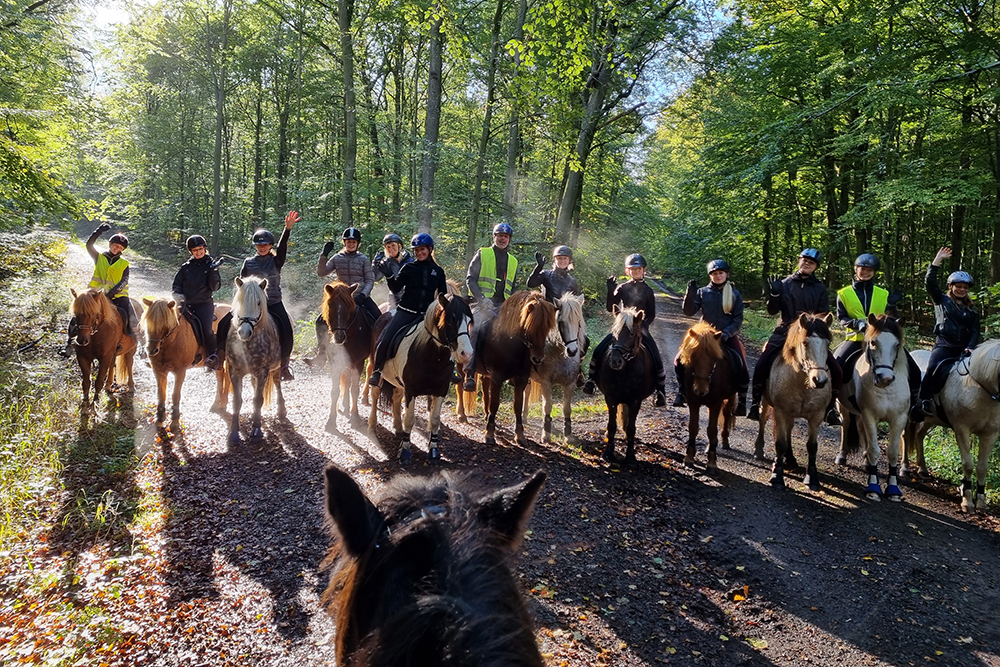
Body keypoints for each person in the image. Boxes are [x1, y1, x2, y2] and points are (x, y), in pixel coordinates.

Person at [747, 248, 843, 425]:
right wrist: (774, 294)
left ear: (816, 267)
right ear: (799, 261)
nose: (807, 263)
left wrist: (813, 328)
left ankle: (830, 409)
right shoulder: (785, 284)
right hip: (785, 332)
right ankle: (755, 403)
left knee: (836, 369)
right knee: (762, 362)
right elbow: (772, 311)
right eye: (804, 260)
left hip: (810, 334)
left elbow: (823, 314)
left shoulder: (820, 288)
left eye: (811, 262)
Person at [834, 253, 921, 419]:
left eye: (870, 270)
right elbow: (841, 318)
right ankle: (830, 405)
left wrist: (893, 311)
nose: (866, 272)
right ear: (856, 269)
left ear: (874, 272)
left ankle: (917, 402)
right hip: (856, 340)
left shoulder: (883, 294)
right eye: (863, 269)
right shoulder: (844, 294)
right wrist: (857, 324)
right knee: (836, 367)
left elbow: (893, 317)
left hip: (882, 341)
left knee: (913, 369)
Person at [217, 210, 300, 381]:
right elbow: (241, 284)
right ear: (255, 246)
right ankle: (219, 358)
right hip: (250, 305)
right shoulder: (248, 262)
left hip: (273, 303)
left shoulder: (276, 260)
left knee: (286, 329)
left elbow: (283, 247)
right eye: (259, 245)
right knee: (224, 324)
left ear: (270, 246)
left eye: (265, 245)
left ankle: (284, 366)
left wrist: (287, 229)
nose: (262, 247)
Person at [582, 253, 667, 407]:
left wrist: (642, 326)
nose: (636, 272)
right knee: (600, 348)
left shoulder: (648, 291)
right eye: (633, 269)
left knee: (655, 354)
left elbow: (652, 314)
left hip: (639, 328)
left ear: (643, 271)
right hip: (622, 327)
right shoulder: (623, 287)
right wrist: (610, 291)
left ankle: (660, 390)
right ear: (628, 271)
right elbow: (611, 307)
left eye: (638, 269)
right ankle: (591, 380)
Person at [368, 233, 448, 387]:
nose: (419, 253)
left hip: (426, 315)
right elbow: (396, 287)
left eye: (422, 249)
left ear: (430, 249)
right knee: (386, 338)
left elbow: (442, 295)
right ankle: (377, 370)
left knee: (446, 339)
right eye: (416, 250)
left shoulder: (438, 271)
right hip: (405, 311)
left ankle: (450, 371)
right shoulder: (409, 267)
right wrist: (389, 275)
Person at [675, 259, 750, 415]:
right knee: (679, 360)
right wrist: (690, 295)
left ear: (726, 274)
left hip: (726, 336)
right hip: (704, 337)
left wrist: (726, 334)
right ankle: (681, 391)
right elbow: (689, 311)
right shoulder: (703, 292)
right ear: (710, 276)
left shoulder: (735, 294)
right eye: (714, 274)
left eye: (720, 273)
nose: (718, 276)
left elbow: (738, 319)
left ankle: (742, 400)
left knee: (742, 364)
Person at [913, 247, 980, 420]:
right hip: (944, 345)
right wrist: (937, 261)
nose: (962, 289)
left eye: (965, 287)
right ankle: (924, 400)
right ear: (951, 286)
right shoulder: (942, 300)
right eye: (958, 286)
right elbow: (930, 282)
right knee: (933, 368)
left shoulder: (971, 310)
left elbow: (975, 330)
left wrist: (971, 347)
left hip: (964, 349)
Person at [62, 222, 141, 357]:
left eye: (120, 247)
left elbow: (124, 281)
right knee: (78, 315)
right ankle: (69, 343)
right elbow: (89, 245)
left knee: (133, 318)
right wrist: (99, 231)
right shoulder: (99, 257)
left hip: (118, 297)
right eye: (115, 245)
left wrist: (111, 294)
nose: (117, 248)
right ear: (110, 245)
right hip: (93, 295)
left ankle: (139, 344)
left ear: (122, 250)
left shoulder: (124, 264)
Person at [171, 235, 223, 370]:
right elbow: (177, 285)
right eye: (195, 250)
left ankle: (213, 357)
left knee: (206, 330)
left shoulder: (211, 265)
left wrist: (213, 271)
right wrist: (178, 295)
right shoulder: (186, 267)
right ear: (191, 252)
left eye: (200, 249)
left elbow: (215, 287)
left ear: (205, 248)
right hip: (185, 304)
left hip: (203, 304)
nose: (198, 252)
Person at [317, 227, 381, 322]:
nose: (351, 244)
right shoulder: (337, 258)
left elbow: (369, 280)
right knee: (320, 321)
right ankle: (322, 337)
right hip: (342, 298)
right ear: (344, 243)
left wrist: (363, 295)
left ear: (357, 244)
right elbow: (321, 273)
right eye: (349, 242)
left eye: (354, 242)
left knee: (379, 318)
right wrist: (324, 255)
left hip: (361, 297)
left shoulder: (363, 259)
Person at [467, 222, 519, 311]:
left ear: (509, 239)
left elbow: (512, 287)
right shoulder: (482, 253)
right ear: (494, 237)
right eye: (500, 235)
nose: (503, 239)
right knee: (478, 325)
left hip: (504, 307)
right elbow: (470, 279)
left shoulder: (513, 261)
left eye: (506, 236)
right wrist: (481, 299)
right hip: (480, 304)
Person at [371, 232, 414, 309]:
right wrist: (375, 264)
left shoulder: (410, 262)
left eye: (393, 245)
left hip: (409, 299)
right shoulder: (386, 263)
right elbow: (375, 278)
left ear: (399, 246)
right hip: (394, 300)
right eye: (388, 247)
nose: (391, 249)